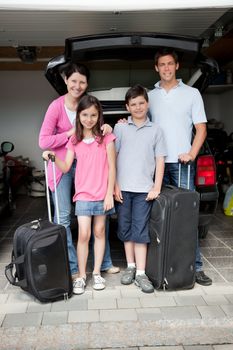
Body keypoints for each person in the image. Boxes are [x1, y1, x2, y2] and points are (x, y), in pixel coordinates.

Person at [39, 63, 119, 282]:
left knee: (101, 218)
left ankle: (104, 263)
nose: (77, 85)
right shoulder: (56, 107)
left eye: (82, 82)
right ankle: (75, 268)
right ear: (65, 80)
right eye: (73, 80)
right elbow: (44, 141)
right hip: (66, 161)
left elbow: (99, 125)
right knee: (63, 217)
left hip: (90, 166)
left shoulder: (88, 105)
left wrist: (109, 127)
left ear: (87, 84)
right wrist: (69, 133)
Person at [148, 47, 212, 286]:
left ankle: (194, 267)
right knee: (157, 218)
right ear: (156, 68)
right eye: (161, 64)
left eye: (169, 64)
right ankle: (160, 265)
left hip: (183, 164)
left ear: (176, 67)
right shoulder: (150, 95)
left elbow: (201, 129)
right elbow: (140, 122)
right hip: (158, 166)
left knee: (186, 218)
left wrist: (192, 154)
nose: (166, 68)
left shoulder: (192, 93)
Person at [114, 85, 166, 293]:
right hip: (123, 190)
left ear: (147, 104)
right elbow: (113, 159)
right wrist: (115, 185)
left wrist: (156, 186)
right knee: (125, 228)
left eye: (141, 103)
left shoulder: (156, 130)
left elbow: (160, 160)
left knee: (140, 230)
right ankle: (131, 267)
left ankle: (142, 273)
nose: (137, 107)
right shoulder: (120, 128)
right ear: (127, 107)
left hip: (144, 190)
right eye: (133, 104)